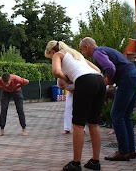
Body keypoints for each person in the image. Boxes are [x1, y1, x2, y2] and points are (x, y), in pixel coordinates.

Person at [79, 37, 136, 161]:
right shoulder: (106, 49)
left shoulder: (97, 53)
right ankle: (130, 150)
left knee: (116, 114)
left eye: (82, 50)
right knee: (126, 116)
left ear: (86, 47)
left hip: (128, 79)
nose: (83, 53)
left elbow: (110, 67)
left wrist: (108, 81)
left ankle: (123, 152)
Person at [45, 40, 106, 171]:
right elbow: (97, 69)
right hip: (99, 81)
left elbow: (56, 71)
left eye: (49, 56)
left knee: (78, 124)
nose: (51, 58)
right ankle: (95, 162)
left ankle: (76, 164)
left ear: (51, 52)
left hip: (85, 81)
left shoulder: (58, 54)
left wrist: (66, 79)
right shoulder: (76, 54)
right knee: (93, 123)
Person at [0, 72, 29, 137]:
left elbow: (27, 81)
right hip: (6, 93)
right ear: (2, 80)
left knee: (20, 109)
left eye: (7, 83)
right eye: (4, 83)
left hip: (17, 91)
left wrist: (18, 86)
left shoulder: (16, 78)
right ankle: (1, 131)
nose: (6, 85)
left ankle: (24, 130)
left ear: (10, 79)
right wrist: (2, 88)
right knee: (3, 109)